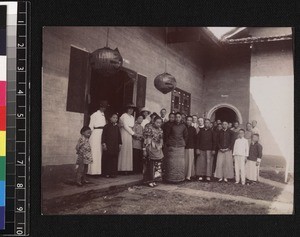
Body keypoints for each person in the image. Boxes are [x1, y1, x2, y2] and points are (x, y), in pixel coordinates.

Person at [164, 112, 188, 183]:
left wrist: (183, 142)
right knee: (171, 163)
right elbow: (167, 135)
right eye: (176, 117)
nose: (177, 118)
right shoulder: (171, 125)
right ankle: (170, 178)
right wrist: (169, 143)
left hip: (180, 147)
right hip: (172, 147)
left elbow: (186, 136)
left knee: (180, 163)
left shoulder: (183, 126)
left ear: (181, 118)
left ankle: (179, 178)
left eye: (179, 117)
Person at [142, 116, 164, 187]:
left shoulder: (160, 130)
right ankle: (148, 180)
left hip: (157, 148)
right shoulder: (149, 128)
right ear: (154, 122)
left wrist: (160, 145)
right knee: (150, 165)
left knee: (157, 165)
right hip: (150, 147)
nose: (158, 124)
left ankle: (154, 179)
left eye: (160, 123)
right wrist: (144, 149)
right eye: (157, 122)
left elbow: (161, 139)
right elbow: (145, 139)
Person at [88, 100, 108, 175]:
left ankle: (97, 172)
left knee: (99, 152)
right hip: (95, 134)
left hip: (102, 134)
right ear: (100, 107)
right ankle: (91, 172)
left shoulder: (103, 115)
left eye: (105, 107)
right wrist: (89, 136)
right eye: (102, 107)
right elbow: (91, 126)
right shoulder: (94, 115)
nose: (104, 108)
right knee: (94, 152)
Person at [118, 103, 138, 174]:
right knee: (123, 149)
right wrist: (133, 133)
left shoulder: (132, 117)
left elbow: (132, 126)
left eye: (132, 109)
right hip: (124, 132)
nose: (131, 110)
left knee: (128, 150)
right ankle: (121, 168)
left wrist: (133, 132)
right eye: (129, 108)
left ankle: (127, 168)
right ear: (127, 109)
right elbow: (125, 126)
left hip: (130, 134)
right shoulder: (124, 115)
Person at [102, 113, 122, 178]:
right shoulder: (106, 126)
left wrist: (120, 144)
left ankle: (113, 173)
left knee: (114, 160)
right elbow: (104, 135)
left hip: (115, 146)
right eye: (113, 117)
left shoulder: (117, 127)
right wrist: (104, 143)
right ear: (110, 118)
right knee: (108, 159)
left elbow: (119, 136)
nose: (115, 119)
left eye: (116, 118)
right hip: (108, 145)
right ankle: (106, 173)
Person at [184, 116, 197, 181]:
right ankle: (183, 174)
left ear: (192, 121)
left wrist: (194, 147)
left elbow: (195, 139)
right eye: (188, 120)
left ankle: (188, 175)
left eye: (190, 120)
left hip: (190, 147)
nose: (189, 121)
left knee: (189, 161)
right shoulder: (183, 127)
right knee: (184, 161)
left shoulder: (193, 129)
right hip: (183, 147)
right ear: (186, 120)